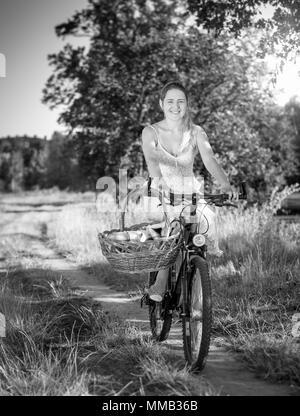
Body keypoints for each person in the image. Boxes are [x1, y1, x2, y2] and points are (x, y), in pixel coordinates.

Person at [137, 81, 239, 301]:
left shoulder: (196, 132)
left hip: (189, 192)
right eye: (170, 101)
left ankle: (195, 274)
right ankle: (161, 282)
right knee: (171, 229)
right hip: (160, 192)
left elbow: (209, 159)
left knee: (202, 224)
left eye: (180, 102)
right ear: (161, 104)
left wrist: (225, 185)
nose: (176, 106)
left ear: (186, 105)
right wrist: (162, 185)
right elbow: (153, 164)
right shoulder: (150, 132)